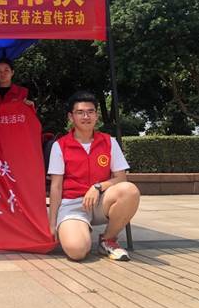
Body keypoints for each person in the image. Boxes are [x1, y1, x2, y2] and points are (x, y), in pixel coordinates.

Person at [48, 91, 140, 261]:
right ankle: (78, 230)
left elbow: (121, 178)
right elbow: (56, 186)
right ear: (71, 117)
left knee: (129, 190)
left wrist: (98, 187)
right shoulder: (60, 146)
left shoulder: (109, 142)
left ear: (96, 116)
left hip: (101, 201)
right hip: (73, 205)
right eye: (80, 112)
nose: (86, 116)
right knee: (77, 251)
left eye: (90, 112)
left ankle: (108, 240)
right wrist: (52, 223)